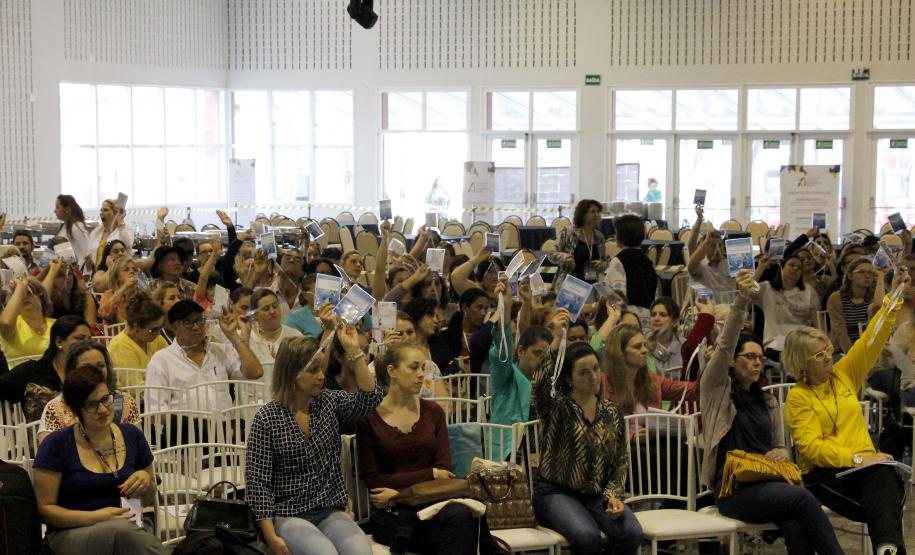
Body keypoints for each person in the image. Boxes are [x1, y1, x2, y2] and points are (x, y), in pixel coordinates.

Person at [700, 269, 843, 554]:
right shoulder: (717, 390)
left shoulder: (768, 401)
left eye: (760, 358)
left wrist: (782, 453)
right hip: (733, 489)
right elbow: (727, 344)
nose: (757, 363)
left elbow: (780, 445)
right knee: (802, 500)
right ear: (731, 362)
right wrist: (741, 301)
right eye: (750, 357)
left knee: (795, 524)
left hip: (770, 482)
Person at [784, 269, 910, 555]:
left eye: (827, 349)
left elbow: (872, 339)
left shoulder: (843, 375)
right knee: (886, 493)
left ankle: (886, 550)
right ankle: (890, 549)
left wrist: (895, 294)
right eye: (819, 355)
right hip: (824, 475)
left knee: (885, 479)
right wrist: (859, 457)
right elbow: (812, 450)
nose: (828, 356)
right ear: (802, 362)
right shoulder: (798, 398)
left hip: (865, 470)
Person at [246, 333, 381, 555]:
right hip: (287, 513)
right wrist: (270, 536)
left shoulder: (328, 401)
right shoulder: (267, 418)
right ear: (291, 374)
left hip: (328, 510)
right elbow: (258, 483)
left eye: (320, 369)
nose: (321, 376)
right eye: (312, 370)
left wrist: (355, 353)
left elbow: (370, 399)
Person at [356, 342, 480, 555]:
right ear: (392, 371)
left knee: (460, 514)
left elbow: (445, 471)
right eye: (414, 368)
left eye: (423, 368)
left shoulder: (433, 412)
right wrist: (429, 474)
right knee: (454, 534)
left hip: (431, 503)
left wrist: (399, 493)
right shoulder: (368, 419)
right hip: (393, 512)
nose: (421, 374)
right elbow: (375, 483)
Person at [32, 365, 162, 555]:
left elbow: (149, 497)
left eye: (105, 399)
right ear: (76, 410)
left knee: (128, 533)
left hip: (130, 526)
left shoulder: (132, 435)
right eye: (92, 405)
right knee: (122, 532)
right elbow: (45, 510)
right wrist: (95, 517)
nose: (102, 409)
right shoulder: (55, 445)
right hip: (71, 533)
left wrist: (145, 479)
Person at [530, 341, 643, 554]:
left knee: (632, 533)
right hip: (556, 492)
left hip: (598, 494)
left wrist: (614, 495)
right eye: (583, 373)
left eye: (595, 369)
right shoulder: (557, 407)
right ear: (568, 379)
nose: (593, 376)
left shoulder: (611, 411)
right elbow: (539, 387)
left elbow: (620, 461)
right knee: (587, 537)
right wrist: (553, 348)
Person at [145, 300, 263, 412]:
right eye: (188, 322)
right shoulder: (161, 360)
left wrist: (232, 335)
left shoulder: (219, 351)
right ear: (175, 328)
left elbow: (255, 372)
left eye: (199, 320)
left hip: (226, 428)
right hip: (185, 431)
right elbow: (155, 411)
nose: (196, 327)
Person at [37, 340, 141, 443]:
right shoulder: (56, 408)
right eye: (87, 367)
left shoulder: (124, 401)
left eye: (101, 366)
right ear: (72, 372)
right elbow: (48, 452)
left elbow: (137, 445)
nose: (96, 372)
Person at [0, 315, 91, 421]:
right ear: (59, 342)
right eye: (80, 338)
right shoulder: (31, 371)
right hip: (39, 436)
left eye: (89, 339)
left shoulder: (87, 374)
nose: (87, 344)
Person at [602, 324, 698, 418]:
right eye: (637, 346)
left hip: (653, 434)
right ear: (620, 352)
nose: (645, 350)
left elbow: (693, 390)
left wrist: (709, 363)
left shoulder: (652, 380)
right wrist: (633, 434)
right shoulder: (603, 383)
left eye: (645, 345)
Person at [246, 288, 303, 387]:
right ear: (255, 315)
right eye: (266, 309)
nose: (272, 311)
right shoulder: (246, 336)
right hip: (253, 398)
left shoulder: (295, 336)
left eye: (275, 306)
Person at [826, 258, 884, 353]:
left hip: (868, 347)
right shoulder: (836, 298)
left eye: (870, 273)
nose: (867, 276)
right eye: (862, 272)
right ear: (850, 275)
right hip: (843, 349)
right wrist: (852, 356)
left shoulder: (873, 296)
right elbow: (841, 332)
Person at [107, 298, 168, 385]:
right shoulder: (119, 346)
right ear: (137, 327)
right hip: (129, 397)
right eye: (153, 330)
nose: (158, 333)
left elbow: (172, 367)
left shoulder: (156, 339)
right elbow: (135, 388)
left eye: (160, 327)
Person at [605, 214, 657, 312]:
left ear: (621, 235)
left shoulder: (618, 261)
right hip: (647, 316)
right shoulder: (647, 261)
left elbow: (618, 298)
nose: (615, 236)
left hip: (629, 317)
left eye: (616, 233)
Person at [0, 275, 55, 360]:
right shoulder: (14, 325)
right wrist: (20, 287)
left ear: (41, 297)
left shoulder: (56, 324)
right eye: (20, 295)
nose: (24, 297)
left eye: (29, 293)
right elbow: (6, 323)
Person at [686, 206, 734, 302]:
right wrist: (699, 219)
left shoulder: (730, 264)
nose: (717, 249)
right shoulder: (701, 265)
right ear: (704, 247)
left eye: (719, 245)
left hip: (730, 311)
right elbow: (691, 245)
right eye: (712, 246)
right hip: (709, 310)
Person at [557, 199, 607, 285]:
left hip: (593, 284)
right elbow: (552, 254)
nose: (597, 214)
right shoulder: (568, 232)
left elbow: (605, 260)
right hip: (570, 283)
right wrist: (564, 257)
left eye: (598, 212)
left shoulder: (599, 236)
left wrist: (603, 264)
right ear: (583, 215)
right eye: (593, 212)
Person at [88, 199, 135, 270]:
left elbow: (128, 244)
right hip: (99, 275)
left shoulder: (125, 230)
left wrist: (120, 221)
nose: (101, 213)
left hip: (117, 275)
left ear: (115, 213)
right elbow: (91, 260)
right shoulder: (96, 232)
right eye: (101, 210)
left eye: (106, 210)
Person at [98, 256, 144, 325]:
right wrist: (123, 289)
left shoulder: (141, 295)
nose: (132, 271)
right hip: (114, 335)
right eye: (126, 269)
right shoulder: (109, 294)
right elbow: (104, 314)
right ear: (116, 276)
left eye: (135, 270)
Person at [646, 297, 683, 372]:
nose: (656, 318)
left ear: (675, 321)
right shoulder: (642, 346)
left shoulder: (685, 346)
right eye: (653, 314)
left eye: (663, 315)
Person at [54, 194, 91, 266]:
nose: (54, 211)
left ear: (67, 209)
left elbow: (87, 251)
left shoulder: (76, 227)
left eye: (57, 207)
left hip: (77, 270)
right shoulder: (64, 226)